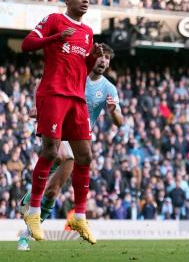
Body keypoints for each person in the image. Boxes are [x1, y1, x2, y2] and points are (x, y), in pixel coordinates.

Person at [20, 0, 104, 244]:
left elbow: (81, 66)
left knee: (85, 155)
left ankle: (79, 216)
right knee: (50, 150)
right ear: (67, 0)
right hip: (54, 92)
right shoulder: (55, 20)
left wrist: (94, 58)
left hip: (77, 97)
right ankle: (33, 212)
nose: (85, 0)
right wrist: (56, 37)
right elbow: (27, 44)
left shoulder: (88, 33)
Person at [17, 45, 123, 251]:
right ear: (91, 57)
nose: (103, 61)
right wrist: (39, 106)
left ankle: (26, 233)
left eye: (107, 58)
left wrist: (113, 112)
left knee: (53, 192)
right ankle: (31, 200)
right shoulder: (75, 74)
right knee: (59, 155)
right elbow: (44, 83)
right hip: (58, 129)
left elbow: (120, 121)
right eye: (100, 56)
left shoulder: (109, 88)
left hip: (80, 139)